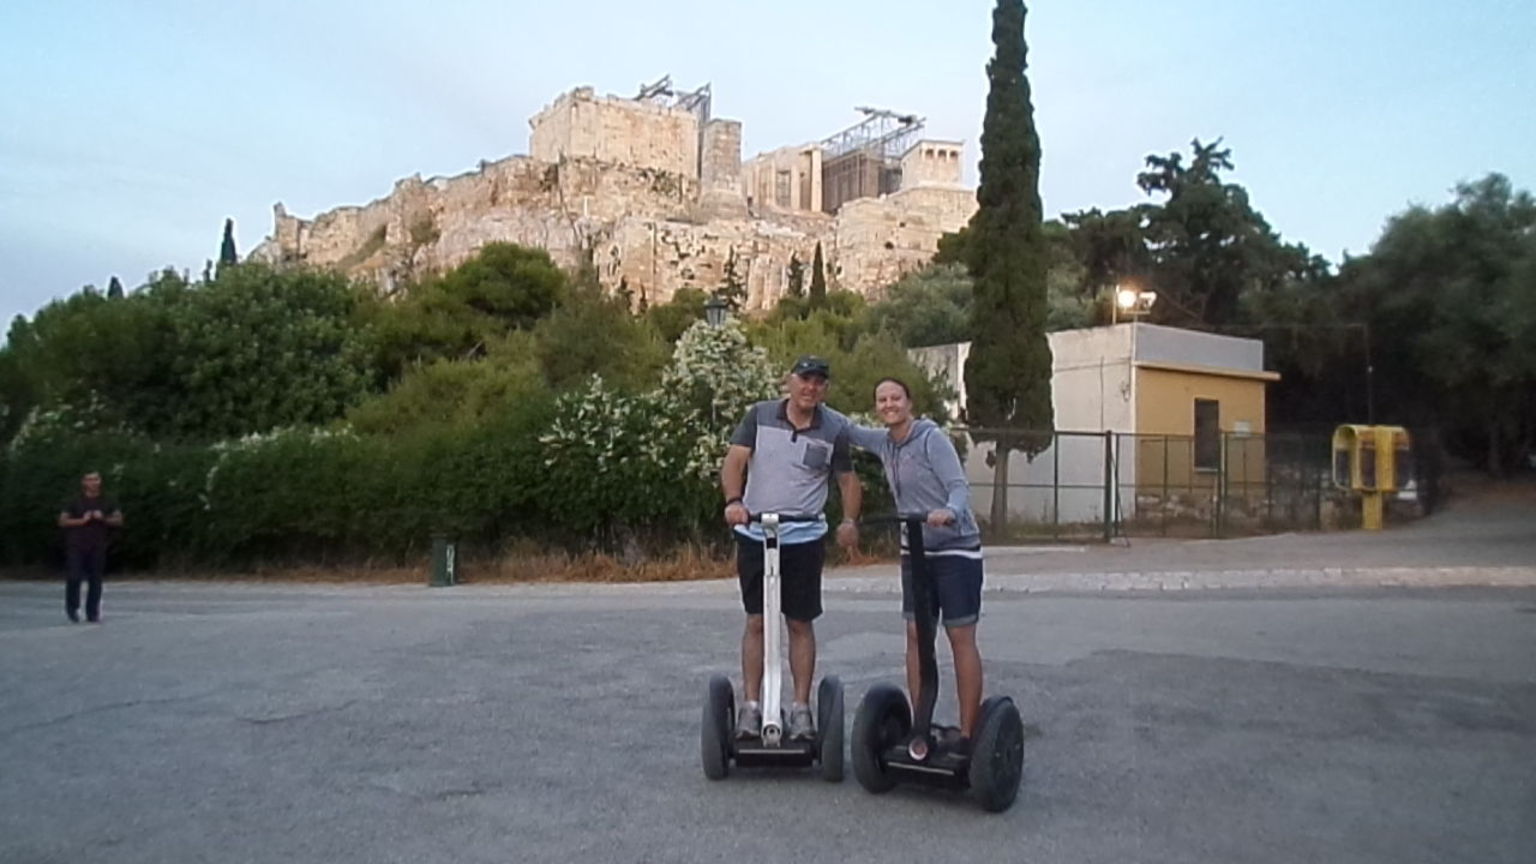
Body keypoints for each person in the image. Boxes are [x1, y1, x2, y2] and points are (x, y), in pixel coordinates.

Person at [720, 355, 861, 741]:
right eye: (804, 379)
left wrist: (849, 521)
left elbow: (848, 481)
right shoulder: (760, 416)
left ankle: (800, 708)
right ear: (790, 380)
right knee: (757, 621)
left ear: (824, 389)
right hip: (756, 533)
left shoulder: (834, 428)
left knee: (799, 622)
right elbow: (734, 461)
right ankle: (751, 707)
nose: (810, 388)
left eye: (818, 382)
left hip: (803, 536)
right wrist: (734, 500)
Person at [844, 377, 985, 753]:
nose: (889, 404)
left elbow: (958, 486)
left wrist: (950, 512)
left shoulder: (930, 439)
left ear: (910, 403)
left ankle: (969, 735)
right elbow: (847, 430)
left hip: (956, 548)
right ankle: (920, 725)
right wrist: (803, 394)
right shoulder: (884, 442)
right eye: (882, 399)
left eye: (896, 398)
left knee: (959, 637)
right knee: (915, 635)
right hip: (916, 549)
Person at [57, 471, 124, 624]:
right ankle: (72, 607)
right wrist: (82, 520)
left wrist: (104, 518)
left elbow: (119, 520)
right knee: (74, 577)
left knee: (96, 579)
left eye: (96, 479)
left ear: (100, 482)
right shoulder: (74, 501)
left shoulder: (107, 501)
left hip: (98, 545)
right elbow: (62, 521)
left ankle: (92, 612)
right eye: (89, 479)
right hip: (76, 545)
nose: (93, 482)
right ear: (84, 482)